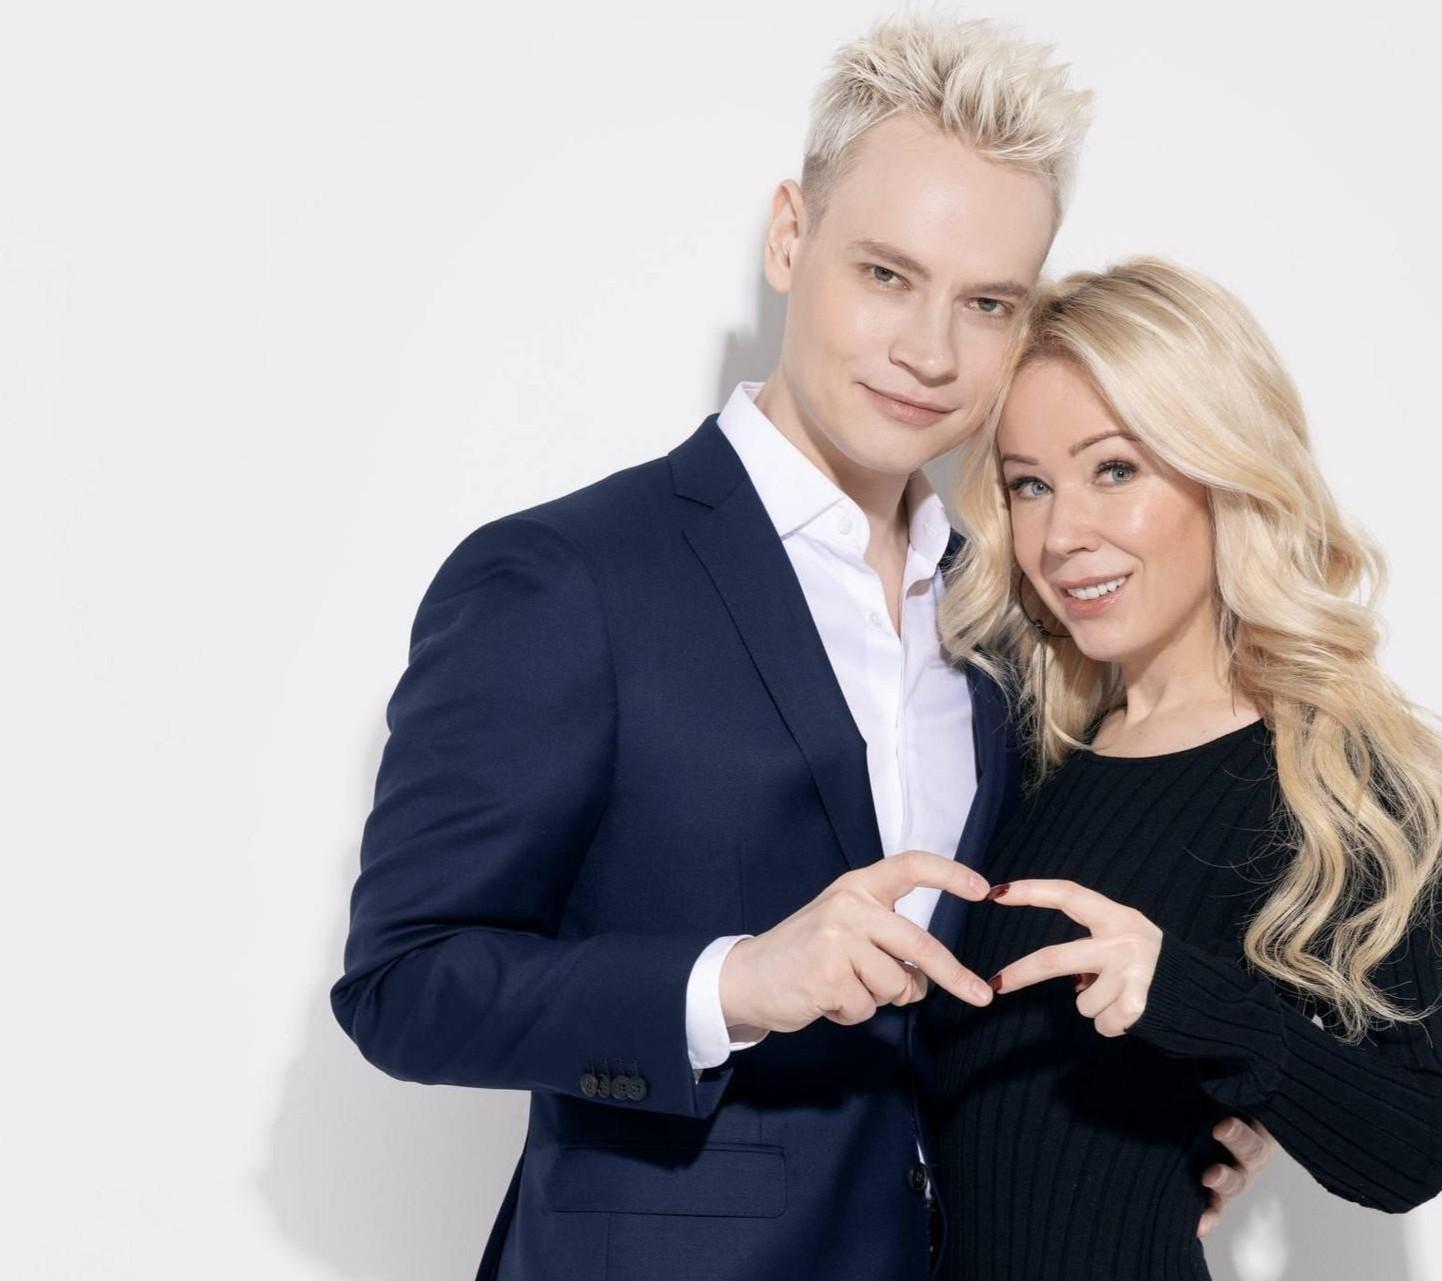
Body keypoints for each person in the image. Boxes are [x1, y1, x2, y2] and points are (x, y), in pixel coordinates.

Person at [330, 19, 1276, 1281]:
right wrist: (733, 984)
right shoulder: (563, 579)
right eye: (886, 274)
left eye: (986, 304)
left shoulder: (1010, 617)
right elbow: (405, 983)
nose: (929, 351)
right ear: (790, 237)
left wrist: (1195, 1105)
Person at [921, 257, 1442, 1279]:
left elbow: (1415, 1145)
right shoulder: (1031, 746)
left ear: (1223, 472)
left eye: (1115, 470)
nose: (1061, 534)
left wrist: (1198, 1007)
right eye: (1030, 484)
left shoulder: (1328, 778)